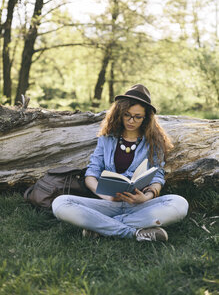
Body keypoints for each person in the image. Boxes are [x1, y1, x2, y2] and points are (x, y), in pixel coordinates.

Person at [52, 84, 189, 242]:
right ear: (119, 113)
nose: (131, 120)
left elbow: (158, 175)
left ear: (146, 118)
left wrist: (146, 197)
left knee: (179, 204)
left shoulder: (154, 141)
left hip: (139, 205)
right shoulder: (106, 139)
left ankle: (100, 227)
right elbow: (90, 175)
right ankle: (134, 233)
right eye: (127, 115)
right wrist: (107, 198)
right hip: (108, 203)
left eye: (138, 117)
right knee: (60, 203)